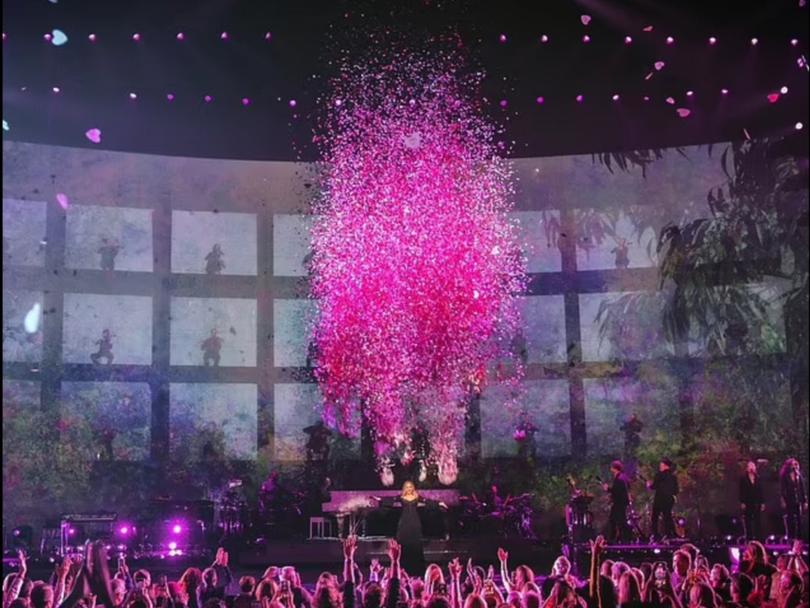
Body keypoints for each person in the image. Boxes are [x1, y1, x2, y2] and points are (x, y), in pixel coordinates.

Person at [376, 481, 447, 574]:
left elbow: (427, 501)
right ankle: (401, 569)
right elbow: (391, 500)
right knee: (403, 542)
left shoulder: (417, 497)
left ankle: (417, 569)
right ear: (404, 488)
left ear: (413, 488)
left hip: (414, 521)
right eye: (407, 487)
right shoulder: (401, 497)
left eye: (410, 487)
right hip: (404, 522)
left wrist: (439, 503)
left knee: (416, 543)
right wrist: (380, 499)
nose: (409, 488)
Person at [647, 458, 679, 540]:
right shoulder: (673, 477)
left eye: (661, 465)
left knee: (655, 517)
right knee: (667, 516)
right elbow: (676, 490)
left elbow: (654, 486)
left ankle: (656, 535)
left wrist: (649, 485)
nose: (660, 467)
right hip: (669, 499)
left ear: (665, 465)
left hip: (660, 499)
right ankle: (670, 534)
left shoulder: (659, 475)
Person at [602, 461, 631, 542]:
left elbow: (616, 491)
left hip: (619, 503)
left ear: (614, 468)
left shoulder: (619, 478)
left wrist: (608, 489)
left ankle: (618, 539)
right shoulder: (622, 477)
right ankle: (617, 538)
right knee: (617, 520)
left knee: (617, 521)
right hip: (621, 502)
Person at [780, 458, 807, 540]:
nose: (794, 466)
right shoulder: (785, 475)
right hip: (789, 499)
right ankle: (791, 537)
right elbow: (782, 488)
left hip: (798, 499)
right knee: (790, 519)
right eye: (793, 464)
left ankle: (799, 538)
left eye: (796, 464)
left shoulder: (798, 475)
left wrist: (805, 501)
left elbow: (802, 488)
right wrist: (783, 500)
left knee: (799, 519)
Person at [739, 460, 765, 540]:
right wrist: (742, 502)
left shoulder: (758, 478)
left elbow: (761, 491)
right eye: (750, 466)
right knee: (748, 521)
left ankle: (759, 538)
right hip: (748, 502)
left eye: (753, 466)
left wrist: (762, 502)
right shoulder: (743, 478)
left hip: (757, 502)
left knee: (758, 521)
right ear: (747, 468)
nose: (752, 468)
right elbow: (741, 491)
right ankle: (749, 538)